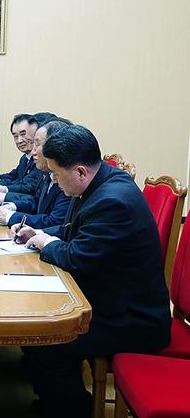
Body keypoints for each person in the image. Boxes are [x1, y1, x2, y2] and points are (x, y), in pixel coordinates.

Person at [14, 124, 171, 418]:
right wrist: (40, 233)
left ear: (81, 172)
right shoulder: (102, 183)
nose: (54, 181)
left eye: (56, 175)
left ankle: (73, 410)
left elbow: (77, 258)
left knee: (46, 340)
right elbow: (75, 233)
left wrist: (46, 243)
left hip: (132, 319)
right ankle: (56, 403)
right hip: (112, 299)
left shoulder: (112, 201)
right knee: (38, 332)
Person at [0, 120, 71, 228]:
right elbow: (36, 201)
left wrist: (11, 217)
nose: (33, 151)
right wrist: (12, 207)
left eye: (38, 144)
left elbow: (55, 222)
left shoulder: (66, 178)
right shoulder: (47, 173)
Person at [0, 113, 37, 190]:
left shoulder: (39, 159)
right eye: (15, 136)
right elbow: (13, 176)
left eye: (23, 134)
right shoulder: (25, 158)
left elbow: (27, 186)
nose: (19, 141)